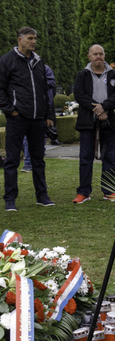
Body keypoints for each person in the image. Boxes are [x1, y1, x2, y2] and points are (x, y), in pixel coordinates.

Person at [0, 27, 56, 211]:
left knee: (38, 159)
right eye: (30, 38)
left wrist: (48, 114)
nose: (34, 41)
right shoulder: (7, 61)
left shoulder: (39, 62)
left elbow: (44, 91)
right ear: (19, 39)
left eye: (35, 38)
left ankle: (42, 196)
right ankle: (10, 199)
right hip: (17, 119)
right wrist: (11, 111)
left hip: (37, 119)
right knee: (12, 160)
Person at [72, 44, 115, 204]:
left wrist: (104, 107)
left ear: (104, 55)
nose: (98, 57)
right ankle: (83, 192)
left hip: (110, 121)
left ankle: (108, 191)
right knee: (85, 157)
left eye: (101, 54)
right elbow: (79, 95)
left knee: (109, 157)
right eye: (95, 54)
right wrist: (97, 109)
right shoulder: (82, 75)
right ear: (89, 56)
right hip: (88, 122)